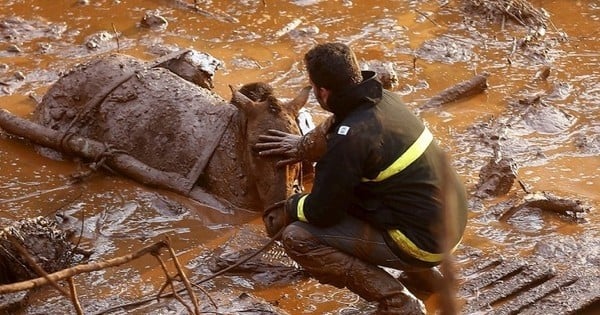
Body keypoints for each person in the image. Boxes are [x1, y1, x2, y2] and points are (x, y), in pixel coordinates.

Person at [255, 42, 468, 314]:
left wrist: (290, 205)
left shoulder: (350, 137)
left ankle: (399, 302)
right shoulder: (384, 100)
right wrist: (302, 146)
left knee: (298, 237)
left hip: (422, 242)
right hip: (450, 221)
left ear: (322, 91)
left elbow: (322, 212)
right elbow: (333, 129)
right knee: (387, 189)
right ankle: (425, 279)